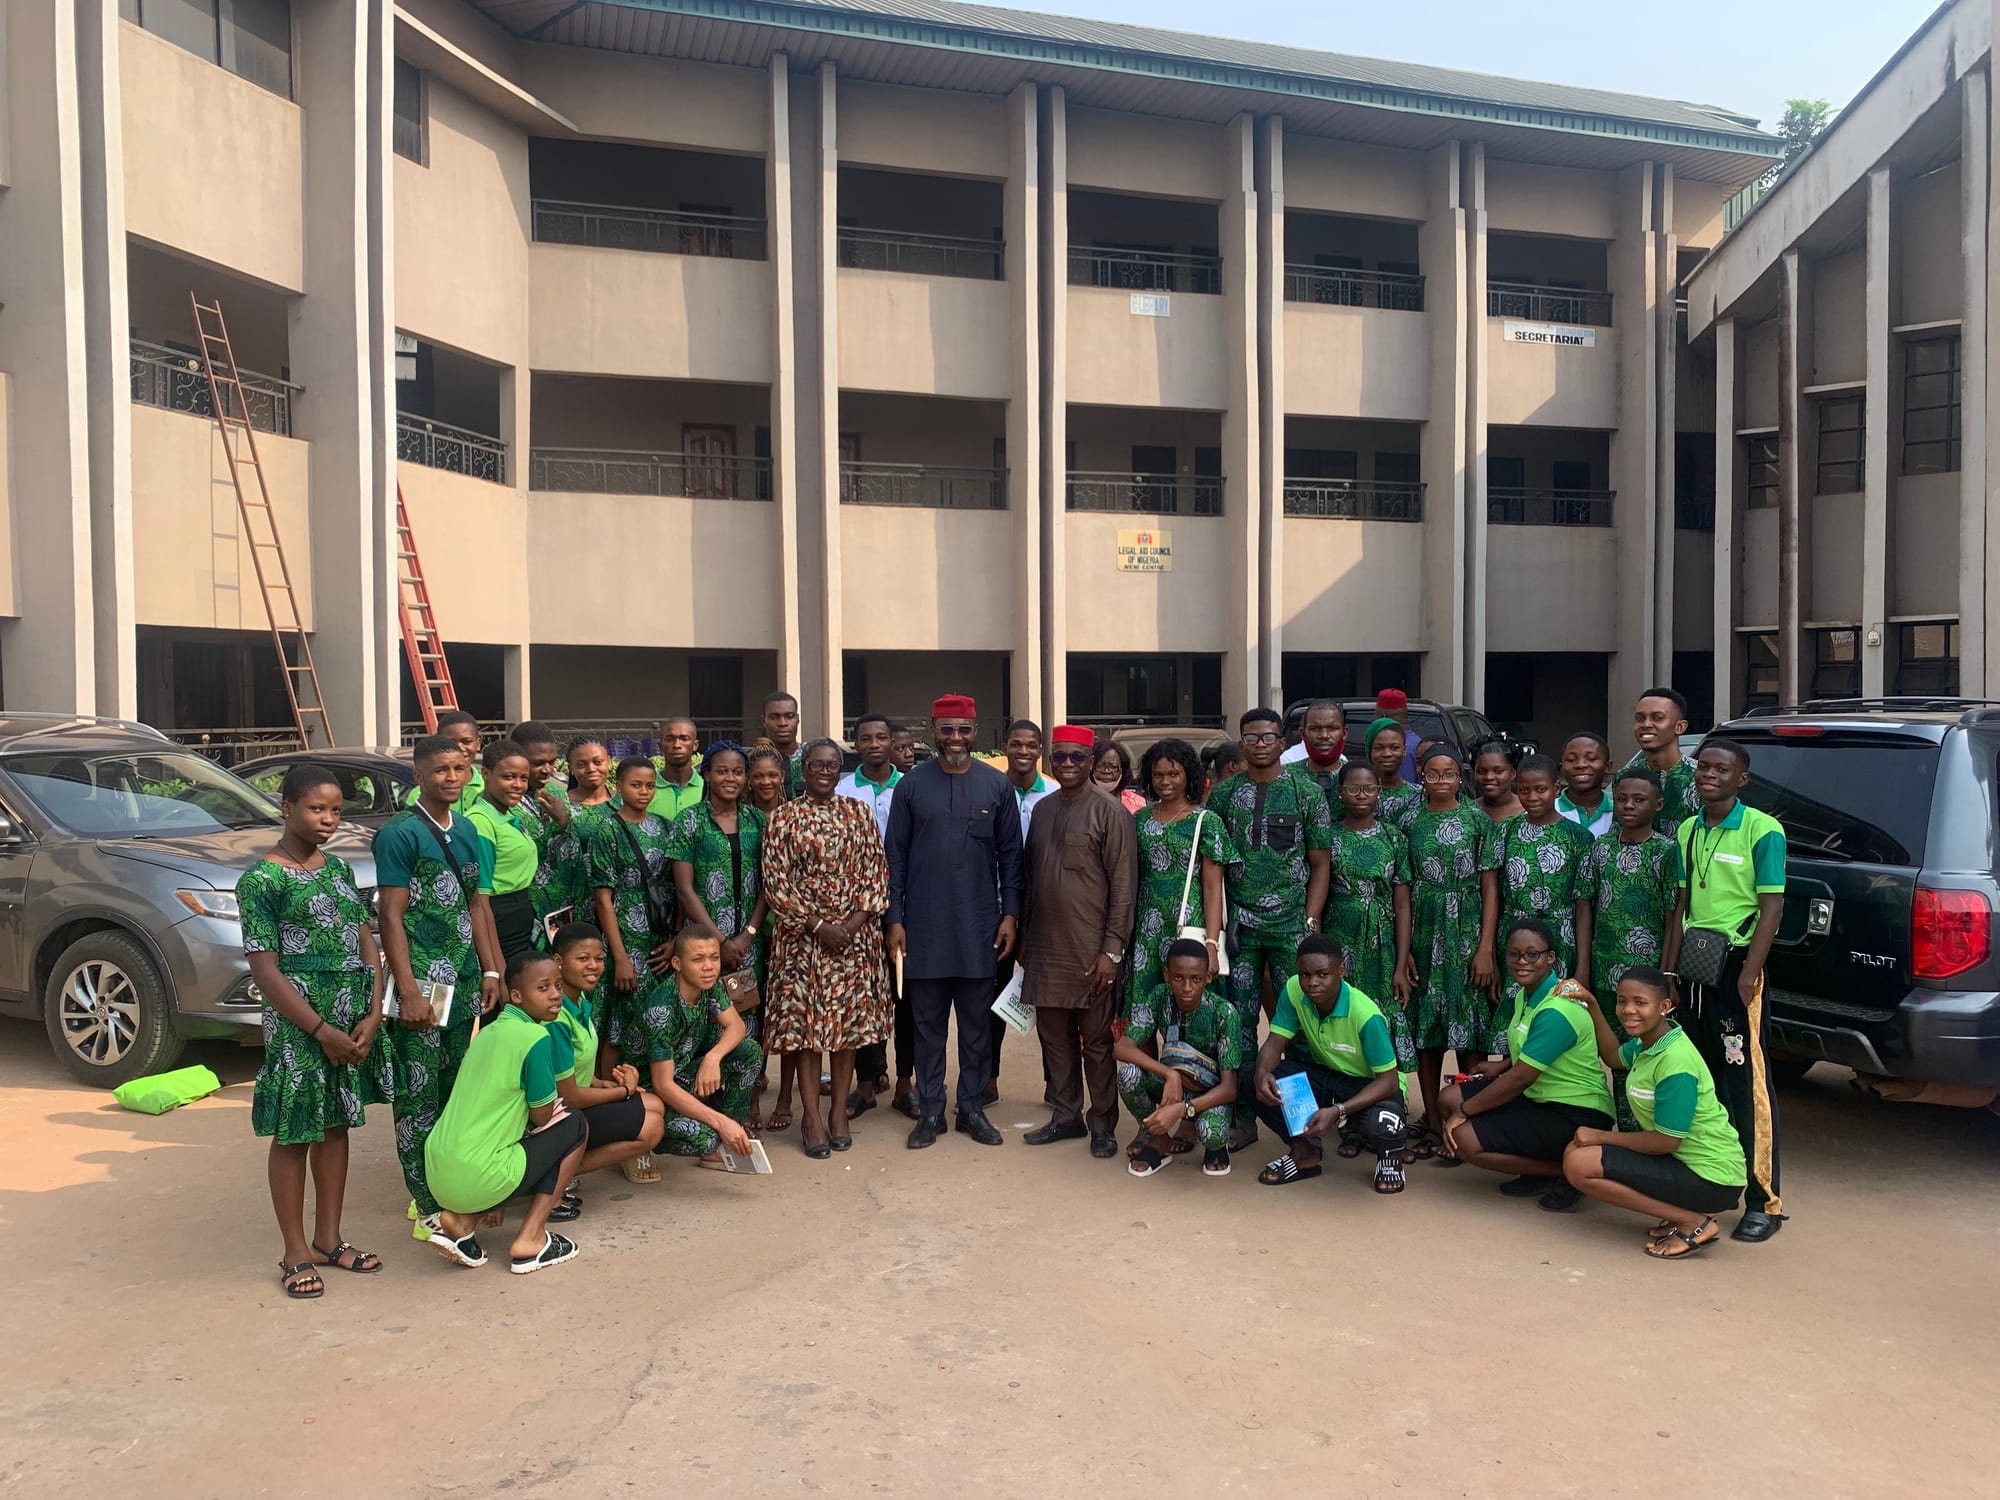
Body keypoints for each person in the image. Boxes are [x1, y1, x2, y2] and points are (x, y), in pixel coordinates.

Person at [241, 765, 389, 1298]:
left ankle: (330, 1239)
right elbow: (265, 969)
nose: (328, 820)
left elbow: (365, 938)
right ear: (286, 808)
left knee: (335, 1126)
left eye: (335, 811)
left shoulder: (339, 870)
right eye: (316, 809)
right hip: (300, 1025)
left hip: (350, 1017)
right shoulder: (262, 880)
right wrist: (319, 1028)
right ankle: (295, 1251)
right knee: (293, 1131)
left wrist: (373, 1010)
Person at [375, 734, 503, 1240]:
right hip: (423, 982)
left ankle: (450, 1189)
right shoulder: (399, 834)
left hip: (465, 978)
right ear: (418, 776)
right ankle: (424, 1202)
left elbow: (477, 906)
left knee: (452, 1091)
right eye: (440, 770)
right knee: (417, 1094)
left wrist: (492, 970)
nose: (452, 777)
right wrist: (406, 989)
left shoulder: (469, 830)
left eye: (459, 768)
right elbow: (390, 913)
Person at [885, 693, 1022, 1150]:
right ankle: (930, 1112)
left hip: (980, 928)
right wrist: (895, 919)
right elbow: (895, 859)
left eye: (964, 729)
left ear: (976, 730)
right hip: (922, 929)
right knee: (926, 1026)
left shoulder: (996, 785)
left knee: (977, 1026)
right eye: (947, 729)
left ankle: (972, 1109)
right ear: (933, 730)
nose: (956, 738)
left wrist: (1011, 915)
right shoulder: (911, 786)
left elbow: (1011, 858)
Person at [1665, 737, 1788, 1243]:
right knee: (1703, 1077)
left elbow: (1772, 908)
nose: (1708, 775)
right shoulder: (1689, 830)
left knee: (1745, 1080)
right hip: (1693, 967)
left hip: (1735, 968)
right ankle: (1709, 1186)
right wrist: (1669, 972)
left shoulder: (1763, 830)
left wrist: (1747, 976)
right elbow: (1680, 904)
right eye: (1704, 768)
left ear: (1742, 779)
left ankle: (1764, 1201)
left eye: (1722, 769)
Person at [1207, 706, 1334, 1151]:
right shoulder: (1223, 797)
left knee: (1295, 1023)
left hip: (1290, 931)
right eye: (1251, 737)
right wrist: (1216, 930)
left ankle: (1300, 1122)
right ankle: (1242, 1119)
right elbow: (1214, 868)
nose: (1260, 744)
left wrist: (1310, 923)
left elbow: (1321, 863)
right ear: (1241, 743)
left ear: (1283, 741)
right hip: (1241, 931)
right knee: (1237, 1026)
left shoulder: (1305, 792)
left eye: (1268, 737)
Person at [762, 740, 893, 1159]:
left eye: (832, 765)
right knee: (806, 1030)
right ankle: (811, 1116)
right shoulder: (783, 818)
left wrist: (849, 925)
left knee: (846, 1028)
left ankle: (838, 1111)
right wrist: (819, 926)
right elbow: (776, 883)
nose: (824, 771)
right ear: (803, 769)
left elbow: (876, 874)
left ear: (840, 770)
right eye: (816, 764)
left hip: (853, 940)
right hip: (802, 941)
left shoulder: (858, 813)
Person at [1561, 966, 1748, 1259]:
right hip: (1686, 1163)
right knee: (1576, 1152)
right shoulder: (1651, 1040)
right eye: (1622, 1001)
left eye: (1640, 1002)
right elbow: (1613, 1057)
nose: (1628, 1010)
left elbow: (1666, 1141)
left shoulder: (1675, 1062)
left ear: (1664, 1007)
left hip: (1712, 1176)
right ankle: (1681, 1215)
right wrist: (1593, 1005)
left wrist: (1600, 1136)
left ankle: (1694, 1222)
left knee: (1580, 1164)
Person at [422, 951, 586, 1275]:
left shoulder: (487, 1033)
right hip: (480, 1174)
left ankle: (460, 1220)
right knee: (573, 1126)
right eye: (543, 988)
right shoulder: (535, 1036)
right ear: (516, 995)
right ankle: (531, 1238)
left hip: (439, 1172)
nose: (556, 995)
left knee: (514, 1139)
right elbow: (541, 1116)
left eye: (557, 984)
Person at [1435, 917, 1613, 1209]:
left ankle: (1569, 1172)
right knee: (1448, 1098)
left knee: (1462, 1136)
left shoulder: (1557, 1009)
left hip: (1575, 1112)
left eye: (1533, 954)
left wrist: (1464, 1111)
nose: (1522, 962)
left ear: (1551, 958)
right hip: (1538, 1097)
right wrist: (1502, 1065)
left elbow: (1521, 1079)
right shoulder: (1526, 995)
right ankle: (1539, 1168)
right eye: (1514, 954)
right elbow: (1533, 1052)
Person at [1020, 724, 1138, 1158]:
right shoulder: (1044, 809)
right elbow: (1031, 879)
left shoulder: (1110, 812)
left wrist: (1111, 950)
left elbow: (1124, 887)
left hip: (1092, 952)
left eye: (1076, 757)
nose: (1067, 764)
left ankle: (1102, 1123)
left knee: (1098, 1044)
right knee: (1054, 1039)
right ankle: (1066, 1116)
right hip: (1046, 948)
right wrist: (1025, 940)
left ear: (1091, 762)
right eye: (1060, 757)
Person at [1401, 743, 1501, 1160]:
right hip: (1424, 930)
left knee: (1471, 1032)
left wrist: (1486, 949)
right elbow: (1402, 890)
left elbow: (1491, 888)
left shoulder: (1479, 820)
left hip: (1467, 929)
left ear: (1461, 778)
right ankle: (1434, 1123)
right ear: (1421, 776)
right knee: (1427, 1034)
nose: (1440, 780)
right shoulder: (1409, 821)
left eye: (1449, 774)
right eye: (1432, 774)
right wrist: (1404, 950)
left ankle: (1465, 1120)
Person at [1251, 935, 1409, 1193]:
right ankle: (1305, 1151)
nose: (1312, 983)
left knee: (1383, 1124)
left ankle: (1389, 1157)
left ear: (1341, 971)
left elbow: (1389, 1082)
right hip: (1329, 1077)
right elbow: (1274, 1042)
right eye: (1305, 974)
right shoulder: (1294, 990)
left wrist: (1338, 1111)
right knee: (1253, 1079)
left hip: (1374, 1086)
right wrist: (1261, 1073)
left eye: (1322, 974)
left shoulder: (1365, 1015)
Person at [666, 742, 771, 1126]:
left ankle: (746, 1100)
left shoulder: (757, 821)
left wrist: (746, 935)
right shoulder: (689, 821)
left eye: (738, 772)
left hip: (748, 944)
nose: (731, 778)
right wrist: (719, 943)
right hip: (704, 946)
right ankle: (705, 1103)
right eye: (723, 771)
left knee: (748, 1018)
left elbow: (768, 883)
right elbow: (684, 889)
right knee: (707, 1017)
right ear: (707, 773)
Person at [544, 921, 666, 1206]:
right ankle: (551, 1176)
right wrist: (623, 1092)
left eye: (599, 958)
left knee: (654, 1104)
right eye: (583, 958)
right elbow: (569, 1094)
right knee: (652, 1127)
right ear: (558, 962)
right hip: (553, 1117)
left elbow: (577, 1074)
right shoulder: (555, 1015)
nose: (594, 966)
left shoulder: (581, 1001)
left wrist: (610, 1083)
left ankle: (560, 1169)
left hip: (571, 1107)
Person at [1127, 738, 1235, 1017]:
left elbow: (1213, 888)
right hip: (1147, 929)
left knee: (1191, 1008)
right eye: (1158, 774)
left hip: (1190, 926)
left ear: (1188, 774)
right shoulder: (1139, 820)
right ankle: (1146, 1063)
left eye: (1174, 774)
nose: (1166, 781)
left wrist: (1211, 944)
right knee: (1143, 1009)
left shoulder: (1206, 821)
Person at [1114, 939, 1240, 1178]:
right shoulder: (1160, 996)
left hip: (1209, 1096)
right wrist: (1168, 1074)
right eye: (1178, 978)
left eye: (1196, 979)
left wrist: (1184, 1110)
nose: (1187, 988)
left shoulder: (1224, 1013)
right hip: (1171, 1087)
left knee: (1210, 1133)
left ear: (1208, 978)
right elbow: (1123, 1047)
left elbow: (1229, 1089)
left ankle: (1215, 1146)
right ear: (1166, 975)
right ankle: (1158, 1140)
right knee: (1128, 1075)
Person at [588, 757, 678, 1086]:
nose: (643, 791)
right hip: (624, 938)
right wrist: (620, 956)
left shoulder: (664, 826)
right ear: (620, 786)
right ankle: (606, 1090)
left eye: (650, 785)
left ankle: (650, 1087)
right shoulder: (608, 829)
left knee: (654, 1018)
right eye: (635, 785)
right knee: (618, 1019)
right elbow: (602, 899)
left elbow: (675, 887)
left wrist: (675, 939)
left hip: (659, 937)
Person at [643, 924, 762, 1165]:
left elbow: (736, 1026)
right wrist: (718, 1122)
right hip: (651, 1097)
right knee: (707, 1140)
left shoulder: (709, 985)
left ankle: (732, 1129)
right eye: (698, 959)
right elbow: (662, 1086)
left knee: (750, 1052)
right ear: (677, 964)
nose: (708, 967)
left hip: (686, 1076)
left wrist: (713, 1057)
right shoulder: (662, 1009)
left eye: (714, 958)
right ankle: (718, 1134)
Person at [1324, 761, 1414, 1070]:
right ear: (1340, 793)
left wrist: (1401, 965)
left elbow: (1402, 905)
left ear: (1379, 793)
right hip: (1339, 934)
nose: (1361, 795)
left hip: (1382, 942)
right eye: (1353, 788)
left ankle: (1388, 1094)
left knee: (1382, 1011)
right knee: (1342, 1007)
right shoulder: (1328, 836)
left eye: (1369, 789)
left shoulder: (1394, 838)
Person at [989, 719, 1054, 1101]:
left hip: (1045, 914)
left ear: (1040, 749)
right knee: (991, 1000)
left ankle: (1054, 1084)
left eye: (1032, 744)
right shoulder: (991, 790)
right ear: (1006, 747)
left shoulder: (1057, 793)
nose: (1024, 751)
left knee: (1048, 1004)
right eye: (1016, 744)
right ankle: (988, 1079)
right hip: (998, 910)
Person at [1574, 769, 1681, 995]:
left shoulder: (1667, 851)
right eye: (1622, 799)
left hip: (1647, 970)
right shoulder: (1601, 847)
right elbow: (1584, 906)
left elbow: (1673, 916)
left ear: (1658, 804)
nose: (1628, 805)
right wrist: (1583, 968)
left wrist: (1666, 974)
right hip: (1602, 967)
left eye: (1639, 800)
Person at [1496, 753, 1594, 976]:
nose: (1532, 797)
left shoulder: (1579, 837)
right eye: (1524, 790)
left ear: (1556, 788)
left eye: (1541, 789)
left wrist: (1583, 968)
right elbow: (1496, 895)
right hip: (1514, 936)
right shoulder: (1505, 831)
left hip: (1560, 937)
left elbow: (1583, 906)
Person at [465, 740, 542, 961]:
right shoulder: (481, 822)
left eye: (523, 778)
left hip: (519, 913)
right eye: (508, 777)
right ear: (486, 774)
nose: (517, 785)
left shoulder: (507, 816)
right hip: (500, 919)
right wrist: (495, 968)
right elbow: (481, 898)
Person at [537, 736, 618, 940]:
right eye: (581, 765)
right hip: (574, 903)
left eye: (597, 762)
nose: (591, 769)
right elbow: (548, 857)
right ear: (571, 768)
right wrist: (563, 822)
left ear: (608, 761)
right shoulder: (558, 804)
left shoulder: (624, 801)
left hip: (619, 904)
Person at [509, 721, 570, 938]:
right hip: (521, 914)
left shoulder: (558, 794)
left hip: (561, 910)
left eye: (552, 762)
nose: (547, 770)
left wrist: (565, 822)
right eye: (538, 763)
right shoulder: (504, 802)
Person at [1626, 687, 1702, 835]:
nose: (1646, 724)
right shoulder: (1627, 775)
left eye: (1657, 718)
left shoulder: (1701, 777)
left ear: (1679, 727)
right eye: (1640, 718)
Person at [835, 714, 902, 837]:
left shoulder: (910, 785)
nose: (874, 745)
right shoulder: (840, 792)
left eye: (881, 738)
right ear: (856, 746)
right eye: (866, 739)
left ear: (892, 743)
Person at [402, 708, 484, 808]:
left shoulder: (489, 788)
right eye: (451, 742)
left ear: (478, 743)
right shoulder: (419, 794)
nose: (459, 748)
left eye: (466, 741)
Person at [1279, 701, 1347, 804]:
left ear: (1344, 733)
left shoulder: (1360, 778)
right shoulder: (1284, 777)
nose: (1324, 735)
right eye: (1315, 729)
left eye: (1332, 728)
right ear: (1303, 734)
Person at [1366, 718, 1423, 832]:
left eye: (1394, 748)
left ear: (1404, 750)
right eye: (1379, 748)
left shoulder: (1421, 795)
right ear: (1369, 751)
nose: (1387, 754)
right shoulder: (1360, 795)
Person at [1555, 731, 1615, 838]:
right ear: (1562, 768)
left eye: (1591, 758)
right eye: (1571, 760)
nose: (1580, 765)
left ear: (1608, 766)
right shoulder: (1547, 811)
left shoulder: (1621, 814)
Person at [647, 715, 706, 822]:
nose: (677, 745)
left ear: (695, 745)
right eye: (669, 739)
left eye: (684, 739)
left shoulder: (707, 788)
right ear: (660, 746)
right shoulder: (645, 789)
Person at [761, 690, 805, 798]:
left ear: (798, 719)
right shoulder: (754, 760)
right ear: (763, 721)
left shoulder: (811, 758)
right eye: (774, 717)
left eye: (789, 716)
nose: (782, 723)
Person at [1374, 688, 1421, 786]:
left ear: (1383, 716)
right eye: (1378, 748)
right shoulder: (1417, 742)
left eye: (1376, 714)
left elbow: (1402, 787)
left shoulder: (1404, 748)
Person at [1472, 740, 1523, 824]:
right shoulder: (1467, 812)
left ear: (1513, 773)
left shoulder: (1528, 811)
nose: (1489, 777)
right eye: (1481, 771)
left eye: (1498, 771)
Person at [1092, 738, 1147, 813]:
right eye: (1100, 766)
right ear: (1091, 768)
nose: (1106, 771)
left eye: (1113, 767)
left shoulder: (1137, 803)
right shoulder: (1080, 802)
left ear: (1122, 770)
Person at [745, 746, 789, 818]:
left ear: (782, 777)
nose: (766, 782)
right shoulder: (741, 817)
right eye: (758, 776)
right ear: (749, 778)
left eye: (772, 775)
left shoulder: (793, 815)